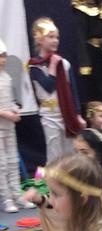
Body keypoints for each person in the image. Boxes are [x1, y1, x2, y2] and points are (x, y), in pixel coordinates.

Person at [28, 18, 85, 163]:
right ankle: (47, 177)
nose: (55, 41)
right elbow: (48, 86)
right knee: (54, 154)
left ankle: (70, 177)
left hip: (67, 116)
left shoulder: (64, 64)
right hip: (49, 116)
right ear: (39, 39)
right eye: (50, 37)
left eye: (57, 37)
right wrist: (53, 66)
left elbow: (73, 92)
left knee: (70, 154)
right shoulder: (34, 66)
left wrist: (78, 114)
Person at [0, 38, 35, 213]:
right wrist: (4, 113)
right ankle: (5, 198)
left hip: (9, 126)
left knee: (13, 160)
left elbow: (10, 100)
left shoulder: (6, 77)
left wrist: (14, 110)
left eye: (4, 56)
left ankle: (17, 194)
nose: (2, 60)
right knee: (2, 163)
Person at [70, 1, 102, 113]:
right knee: (95, 90)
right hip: (92, 55)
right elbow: (81, 38)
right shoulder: (82, 11)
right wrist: (85, 64)